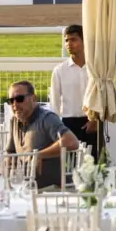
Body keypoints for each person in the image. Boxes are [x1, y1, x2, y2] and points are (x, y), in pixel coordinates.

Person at [5, 81, 79, 190]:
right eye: (11, 101)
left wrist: (39, 155)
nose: (15, 104)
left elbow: (71, 142)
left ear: (33, 99)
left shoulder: (47, 118)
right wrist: (6, 164)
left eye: (19, 99)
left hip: (54, 191)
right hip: (28, 189)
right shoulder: (14, 121)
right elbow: (10, 152)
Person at [49, 24, 98, 157]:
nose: (69, 44)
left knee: (94, 164)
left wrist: (96, 120)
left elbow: (101, 95)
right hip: (68, 124)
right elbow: (55, 103)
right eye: (66, 40)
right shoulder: (59, 71)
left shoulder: (95, 69)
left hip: (92, 123)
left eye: (74, 39)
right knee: (69, 166)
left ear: (84, 41)